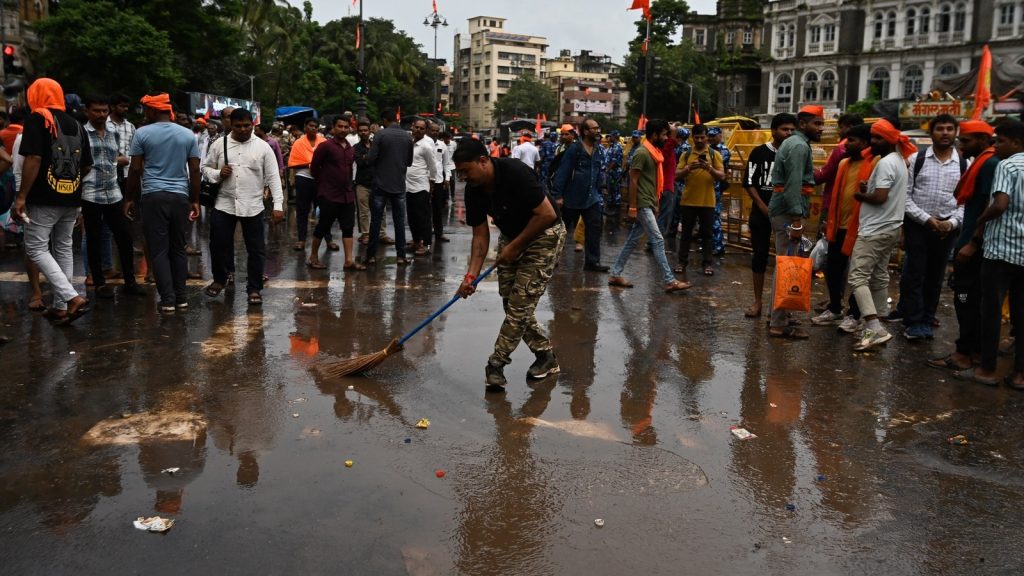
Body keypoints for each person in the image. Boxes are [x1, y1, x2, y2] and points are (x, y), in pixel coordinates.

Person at [453, 139, 566, 392]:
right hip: (512, 235)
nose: (463, 177)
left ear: (483, 161)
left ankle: (496, 365)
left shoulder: (514, 171)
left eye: (465, 170)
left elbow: (546, 214)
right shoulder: (474, 189)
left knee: (519, 304)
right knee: (511, 302)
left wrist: (515, 247)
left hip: (544, 234)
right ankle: (545, 356)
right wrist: (470, 276)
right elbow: (480, 237)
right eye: (459, 173)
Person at [11, 78, 91, 324]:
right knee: (64, 247)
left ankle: (71, 297)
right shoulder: (76, 124)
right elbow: (87, 165)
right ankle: (60, 306)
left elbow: (33, 157)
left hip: (43, 197)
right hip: (71, 197)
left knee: (36, 247)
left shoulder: (38, 119)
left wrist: (22, 195)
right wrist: (69, 182)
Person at [927, 120, 998, 372]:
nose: (960, 144)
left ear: (982, 140)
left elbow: (993, 207)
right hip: (972, 242)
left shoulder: (989, 164)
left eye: (965, 141)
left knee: (965, 299)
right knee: (971, 300)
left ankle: (963, 354)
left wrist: (973, 243)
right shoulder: (983, 162)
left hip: (974, 246)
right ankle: (974, 351)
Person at [124, 93, 201, 315]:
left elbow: (135, 169)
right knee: (178, 248)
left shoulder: (142, 133)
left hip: (153, 197)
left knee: (158, 250)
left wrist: (129, 198)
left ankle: (167, 301)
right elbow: (194, 170)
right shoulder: (187, 135)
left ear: (152, 111)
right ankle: (182, 299)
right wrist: (194, 200)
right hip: (180, 197)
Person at [200, 108, 283, 305]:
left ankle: (254, 289)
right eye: (238, 126)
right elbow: (206, 169)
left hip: (253, 206)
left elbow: (273, 178)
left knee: (256, 250)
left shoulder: (263, 147)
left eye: (247, 125)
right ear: (231, 124)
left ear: (253, 124)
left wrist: (278, 205)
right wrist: (218, 174)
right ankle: (220, 279)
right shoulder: (220, 144)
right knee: (218, 244)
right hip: (224, 204)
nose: (243, 129)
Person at [965, 120, 1024, 388]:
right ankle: (1019, 375)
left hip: (1001, 250)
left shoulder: (1007, 165)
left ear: (1015, 142)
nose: (995, 145)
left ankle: (987, 370)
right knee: (1021, 313)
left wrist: (979, 220)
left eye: (999, 141)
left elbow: (1000, 205)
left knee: (990, 310)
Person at [847, 119, 914, 351]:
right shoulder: (898, 161)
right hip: (891, 227)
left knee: (857, 277)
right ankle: (879, 322)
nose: (873, 142)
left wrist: (861, 196)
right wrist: (870, 190)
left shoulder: (886, 163)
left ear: (890, 140)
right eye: (872, 137)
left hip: (876, 229)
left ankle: (874, 328)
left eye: (878, 138)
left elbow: (880, 198)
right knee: (878, 276)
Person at [899, 114, 965, 340]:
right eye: (940, 129)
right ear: (931, 133)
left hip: (948, 228)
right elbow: (906, 198)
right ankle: (914, 321)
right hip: (919, 225)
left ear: (956, 131)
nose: (945, 132)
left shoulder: (965, 164)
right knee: (914, 273)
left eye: (949, 128)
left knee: (936, 276)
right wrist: (928, 220)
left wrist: (952, 222)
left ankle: (928, 316)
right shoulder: (916, 160)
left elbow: (965, 202)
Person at [607, 119, 692, 293]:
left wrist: (655, 202)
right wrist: (632, 206)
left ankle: (615, 273)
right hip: (641, 204)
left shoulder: (654, 153)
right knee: (658, 240)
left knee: (632, 240)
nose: (666, 137)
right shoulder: (643, 153)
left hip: (648, 202)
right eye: (663, 134)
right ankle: (669, 280)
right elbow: (633, 180)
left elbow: (650, 180)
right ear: (654, 135)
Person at [766, 105, 824, 339]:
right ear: (803, 124)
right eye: (817, 124)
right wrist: (798, 220)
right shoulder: (799, 146)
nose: (821, 128)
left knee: (784, 264)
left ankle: (776, 316)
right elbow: (792, 186)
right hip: (789, 214)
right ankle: (778, 324)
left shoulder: (795, 143)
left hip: (784, 211)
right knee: (787, 266)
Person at [811, 123, 875, 330]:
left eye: (851, 140)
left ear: (865, 143)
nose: (846, 144)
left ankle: (855, 315)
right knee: (834, 269)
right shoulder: (843, 164)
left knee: (858, 273)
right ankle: (835, 308)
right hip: (839, 225)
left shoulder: (876, 163)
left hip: (861, 228)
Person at [80, 95, 144, 299]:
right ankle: (99, 282)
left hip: (113, 191)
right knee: (94, 238)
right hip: (89, 192)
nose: (100, 115)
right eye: (96, 111)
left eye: (104, 111)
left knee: (124, 237)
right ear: (87, 111)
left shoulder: (114, 132)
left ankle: (130, 282)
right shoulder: (81, 133)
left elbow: (117, 158)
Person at [743, 113, 796, 318]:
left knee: (786, 260)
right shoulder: (759, 152)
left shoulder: (795, 153)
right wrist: (763, 207)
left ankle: (782, 305)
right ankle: (758, 302)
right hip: (761, 213)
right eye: (785, 129)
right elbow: (749, 182)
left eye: (792, 130)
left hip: (786, 215)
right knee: (760, 257)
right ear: (774, 131)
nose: (789, 133)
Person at [306, 115, 364, 272]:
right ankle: (313, 257)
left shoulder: (350, 148)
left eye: (346, 127)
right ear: (333, 127)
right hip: (329, 194)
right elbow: (314, 168)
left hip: (347, 194)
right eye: (340, 126)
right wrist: (323, 185)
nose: (343, 130)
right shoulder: (325, 146)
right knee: (323, 226)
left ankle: (349, 261)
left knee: (348, 227)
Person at [552, 117, 608, 272]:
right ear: (585, 131)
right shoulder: (575, 149)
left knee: (594, 229)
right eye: (594, 128)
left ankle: (592, 262)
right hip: (571, 198)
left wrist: (601, 189)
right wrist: (557, 195)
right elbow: (563, 172)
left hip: (592, 198)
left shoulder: (598, 149)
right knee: (560, 230)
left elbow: (598, 171)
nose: (597, 131)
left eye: (598, 128)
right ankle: (551, 258)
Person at [675, 124, 726, 277]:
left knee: (707, 235)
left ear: (706, 137)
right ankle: (681, 262)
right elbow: (676, 175)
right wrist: (689, 168)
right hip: (688, 201)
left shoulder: (714, 154)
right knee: (686, 235)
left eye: (702, 137)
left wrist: (709, 168)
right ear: (692, 137)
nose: (699, 140)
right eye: (696, 137)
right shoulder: (686, 154)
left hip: (707, 202)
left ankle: (707, 264)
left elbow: (722, 176)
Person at [365, 108, 413, 266]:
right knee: (399, 222)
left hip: (380, 183)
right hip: (399, 184)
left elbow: (370, 158)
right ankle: (401, 256)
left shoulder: (380, 135)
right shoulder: (407, 137)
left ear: (385, 120)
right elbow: (409, 162)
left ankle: (371, 256)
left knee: (375, 222)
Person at [288, 118, 330, 252]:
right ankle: (301, 239)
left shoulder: (323, 142)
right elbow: (292, 163)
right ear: (305, 126)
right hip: (304, 178)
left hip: (321, 179)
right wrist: (309, 164)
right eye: (311, 126)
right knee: (302, 210)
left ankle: (328, 239)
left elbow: (329, 161)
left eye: (316, 127)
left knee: (324, 210)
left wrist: (317, 165)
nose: (313, 128)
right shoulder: (298, 143)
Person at [353, 118, 391, 245]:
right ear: (357, 132)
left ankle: (382, 233)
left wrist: (368, 158)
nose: (363, 132)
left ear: (369, 131)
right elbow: (361, 162)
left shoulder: (376, 144)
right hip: (362, 183)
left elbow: (382, 159)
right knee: (363, 211)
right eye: (361, 131)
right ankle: (365, 234)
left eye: (365, 130)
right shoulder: (356, 147)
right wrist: (370, 158)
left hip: (377, 182)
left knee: (381, 210)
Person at [405, 118, 437, 257]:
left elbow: (432, 166)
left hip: (421, 186)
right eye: (416, 127)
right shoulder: (409, 143)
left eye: (421, 128)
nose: (418, 130)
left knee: (422, 217)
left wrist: (432, 181)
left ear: (425, 131)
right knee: (411, 216)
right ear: (412, 127)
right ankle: (417, 241)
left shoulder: (426, 146)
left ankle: (426, 244)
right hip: (407, 186)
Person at [707, 126, 731, 255]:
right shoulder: (709, 149)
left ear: (720, 136)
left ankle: (719, 246)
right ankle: (710, 245)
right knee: (707, 217)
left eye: (713, 136)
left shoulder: (723, 151)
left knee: (715, 217)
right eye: (709, 136)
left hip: (716, 187)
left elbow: (717, 165)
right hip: (707, 185)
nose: (711, 138)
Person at [429, 122, 451, 244]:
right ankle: (422, 235)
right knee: (423, 209)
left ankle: (439, 233)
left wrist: (447, 178)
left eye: (437, 130)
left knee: (437, 208)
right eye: (433, 130)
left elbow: (446, 163)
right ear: (428, 130)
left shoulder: (442, 145)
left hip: (438, 181)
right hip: (424, 181)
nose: (435, 132)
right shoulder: (423, 143)